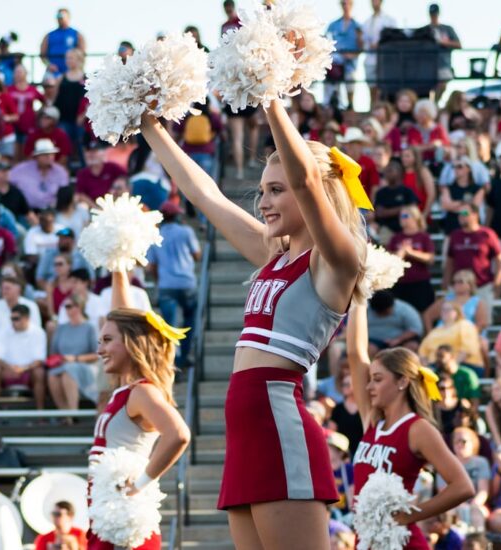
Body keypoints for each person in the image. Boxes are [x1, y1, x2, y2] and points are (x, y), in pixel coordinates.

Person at [141, 86, 371, 545]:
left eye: (275, 191)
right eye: (262, 190)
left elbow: (307, 181)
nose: (262, 202)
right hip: (244, 433)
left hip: (279, 425)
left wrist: (268, 97)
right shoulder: (272, 255)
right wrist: (149, 126)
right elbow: (206, 196)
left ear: (315, 195)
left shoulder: (337, 260)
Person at [346, 302, 474, 550]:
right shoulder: (372, 420)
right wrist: (360, 297)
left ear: (402, 381)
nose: (369, 387)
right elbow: (355, 353)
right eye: (370, 379)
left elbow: (463, 486)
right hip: (366, 540)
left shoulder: (417, 429)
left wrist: (410, 515)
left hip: (401, 541)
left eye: (378, 379)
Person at [88, 271, 190, 550]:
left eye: (107, 341)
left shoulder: (142, 392)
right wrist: (119, 269)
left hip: (124, 516)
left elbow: (179, 434)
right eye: (100, 342)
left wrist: (141, 483)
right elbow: (120, 315)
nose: (100, 350)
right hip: (106, 507)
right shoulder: (125, 390)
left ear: (132, 344)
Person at [146, 200, 200, 366]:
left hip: (166, 285)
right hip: (186, 282)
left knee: (169, 326)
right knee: (190, 318)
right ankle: (184, 355)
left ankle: (171, 361)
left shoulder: (155, 236)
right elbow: (197, 255)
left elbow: (152, 266)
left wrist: (158, 281)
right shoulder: (186, 232)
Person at [443, 203, 501, 320]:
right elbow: (450, 261)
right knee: (455, 320)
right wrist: (446, 282)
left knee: (483, 322)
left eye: (465, 213)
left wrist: (497, 284)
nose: (461, 216)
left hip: (481, 286)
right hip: (459, 286)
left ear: (475, 215)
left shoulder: (487, 234)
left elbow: (500, 261)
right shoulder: (455, 235)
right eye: (459, 214)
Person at [0, 304, 47, 411]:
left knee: (39, 372)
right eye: (12, 318)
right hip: (7, 371)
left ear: (27, 318)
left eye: (16, 318)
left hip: (28, 372)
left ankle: (40, 412)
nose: (13, 322)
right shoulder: (4, 331)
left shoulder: (38, 332)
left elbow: (39, 360)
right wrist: (9, 368)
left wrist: (23, 369)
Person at [0, 277, 41, 380]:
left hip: (25, 345)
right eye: (3, 288)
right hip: (2, 348)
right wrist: (6, 343)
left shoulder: (31, 306)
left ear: (18, 289)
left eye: (8, 288)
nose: (4, 291)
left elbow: (36, 333)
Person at [48, 295, 99, 414]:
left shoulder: (90, 327)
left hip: (84, 364)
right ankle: (65, 413)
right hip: (63, 364)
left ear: (79, 307)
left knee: (68, 372)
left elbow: (96, 354)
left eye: (69, 306)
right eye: (66, 307)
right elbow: (54, 351)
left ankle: (73, 411)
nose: (67, 309)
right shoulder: (61, 328)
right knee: (52, 375)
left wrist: (75, 358)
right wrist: (61, 359)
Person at [388, 205, 436, 312]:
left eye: (405, 215)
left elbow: (430, 258)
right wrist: (400, 254)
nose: (401, 218)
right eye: (400, 216)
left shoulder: (424, 237)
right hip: (400, 284)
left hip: (420, 284)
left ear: (415, 217)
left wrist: (411, 253)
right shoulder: (396, 237)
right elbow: (389, 258)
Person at [10, 138, 69, 210]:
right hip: (28, 212)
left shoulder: (60, 172)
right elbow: (7, 179)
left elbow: (65, 194)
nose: (49, 157)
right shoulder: (22, 169)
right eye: (45, 154)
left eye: (51, 154)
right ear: (36, 156)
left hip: (53, 212)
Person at [325, 0, 362, 110]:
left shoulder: (357, 26)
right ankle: (333, 103)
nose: (346, 6)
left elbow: (361, 46)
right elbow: (326, 41)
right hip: (335, 61)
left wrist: (351, 55)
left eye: (348, 3)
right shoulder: (333, 25)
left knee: (350, 79)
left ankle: (350, 105)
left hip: (350, 63)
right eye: (343, 3)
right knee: (331, 81)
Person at [51, 48, 86, 164]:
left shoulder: (86, 78)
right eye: (67, 58)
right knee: (65, 146)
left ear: (78, 59)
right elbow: (54, 98)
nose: (68, 60)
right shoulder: (61, 78)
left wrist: (83, 115)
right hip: (64, 119)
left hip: (81, 119)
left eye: (71, 58)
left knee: (82, 144)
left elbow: (90, 100)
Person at [373, 159, 419, 244]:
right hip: (386, 229)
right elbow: (379, 213)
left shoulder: (407, 192)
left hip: (406, 229)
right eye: (386, 171)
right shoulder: (381, 193)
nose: (387, 173)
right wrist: (402, 208)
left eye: (390, 170)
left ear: (400, 173)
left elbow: (413, 212)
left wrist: (388, 211)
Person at [366, 290, 424, 356]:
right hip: (373, 341)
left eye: (385, 312)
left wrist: (398, 339)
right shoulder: (366, 309)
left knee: (412, 346)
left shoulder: (405, 310)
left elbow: (415, 329)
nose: (382, 315)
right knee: (366, 349)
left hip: (401, 340)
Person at [424, 3, 461, 101]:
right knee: (428, 88)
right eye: (432, 14)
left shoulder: (447, 29)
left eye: (435, 14)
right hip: (428, 64)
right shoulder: (425, 30)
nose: (433, 16)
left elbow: (458, 45)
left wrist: (444, 42)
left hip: (443, 63)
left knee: (442, 85)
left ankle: (435, 105)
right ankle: (431, 105)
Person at [362, 0, 396, 103]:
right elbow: (364, 41)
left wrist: (380, 45)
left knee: (382, 87)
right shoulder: (367, 22)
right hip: (370, 58)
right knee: (372, 87)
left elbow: (393, 38)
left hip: (384, 59)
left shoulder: (389, 20)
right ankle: (373, 108)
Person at [75, 140, 127, 208]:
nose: (91, 154)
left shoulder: (113, 167)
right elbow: (80, 194)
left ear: (103, 153)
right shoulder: (82, 174)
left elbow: (126, 181)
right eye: (88, 151)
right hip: (92, 209)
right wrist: (95, 208)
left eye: (95, 151)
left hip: (115, 206)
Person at [40, 8, 86, 77]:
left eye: (61, 16)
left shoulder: (76, 34)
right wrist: (49, 65)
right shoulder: (49, 35)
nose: (59, 18)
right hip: (54, 72)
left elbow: (82, 53)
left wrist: (78, 67)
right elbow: (42, 54)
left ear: (68, 17)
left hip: (71, 72)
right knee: (49, 82)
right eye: (57, 16)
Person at [401, 148, 436, 215]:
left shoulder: (422, 171)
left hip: (421, 213)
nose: (404, 158)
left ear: (415, 157)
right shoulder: (401, 173)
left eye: (407, 156)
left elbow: (431, 194)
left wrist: (425, 214)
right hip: (406, 214)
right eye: (402, 156)